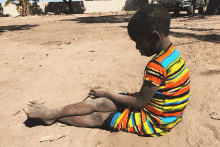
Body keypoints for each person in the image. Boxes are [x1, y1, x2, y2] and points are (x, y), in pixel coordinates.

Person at [23, 4, 190, 137]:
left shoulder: (157, 66)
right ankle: (52, 113)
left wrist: (108, 93)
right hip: (162, 108)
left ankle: (51, 116)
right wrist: (107, 95)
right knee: (101, 102)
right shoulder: (173, 54)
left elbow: (140, 103)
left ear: (154, 37)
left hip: (157, 120)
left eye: (139, 42)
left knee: (100, 116)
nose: (137, 47)